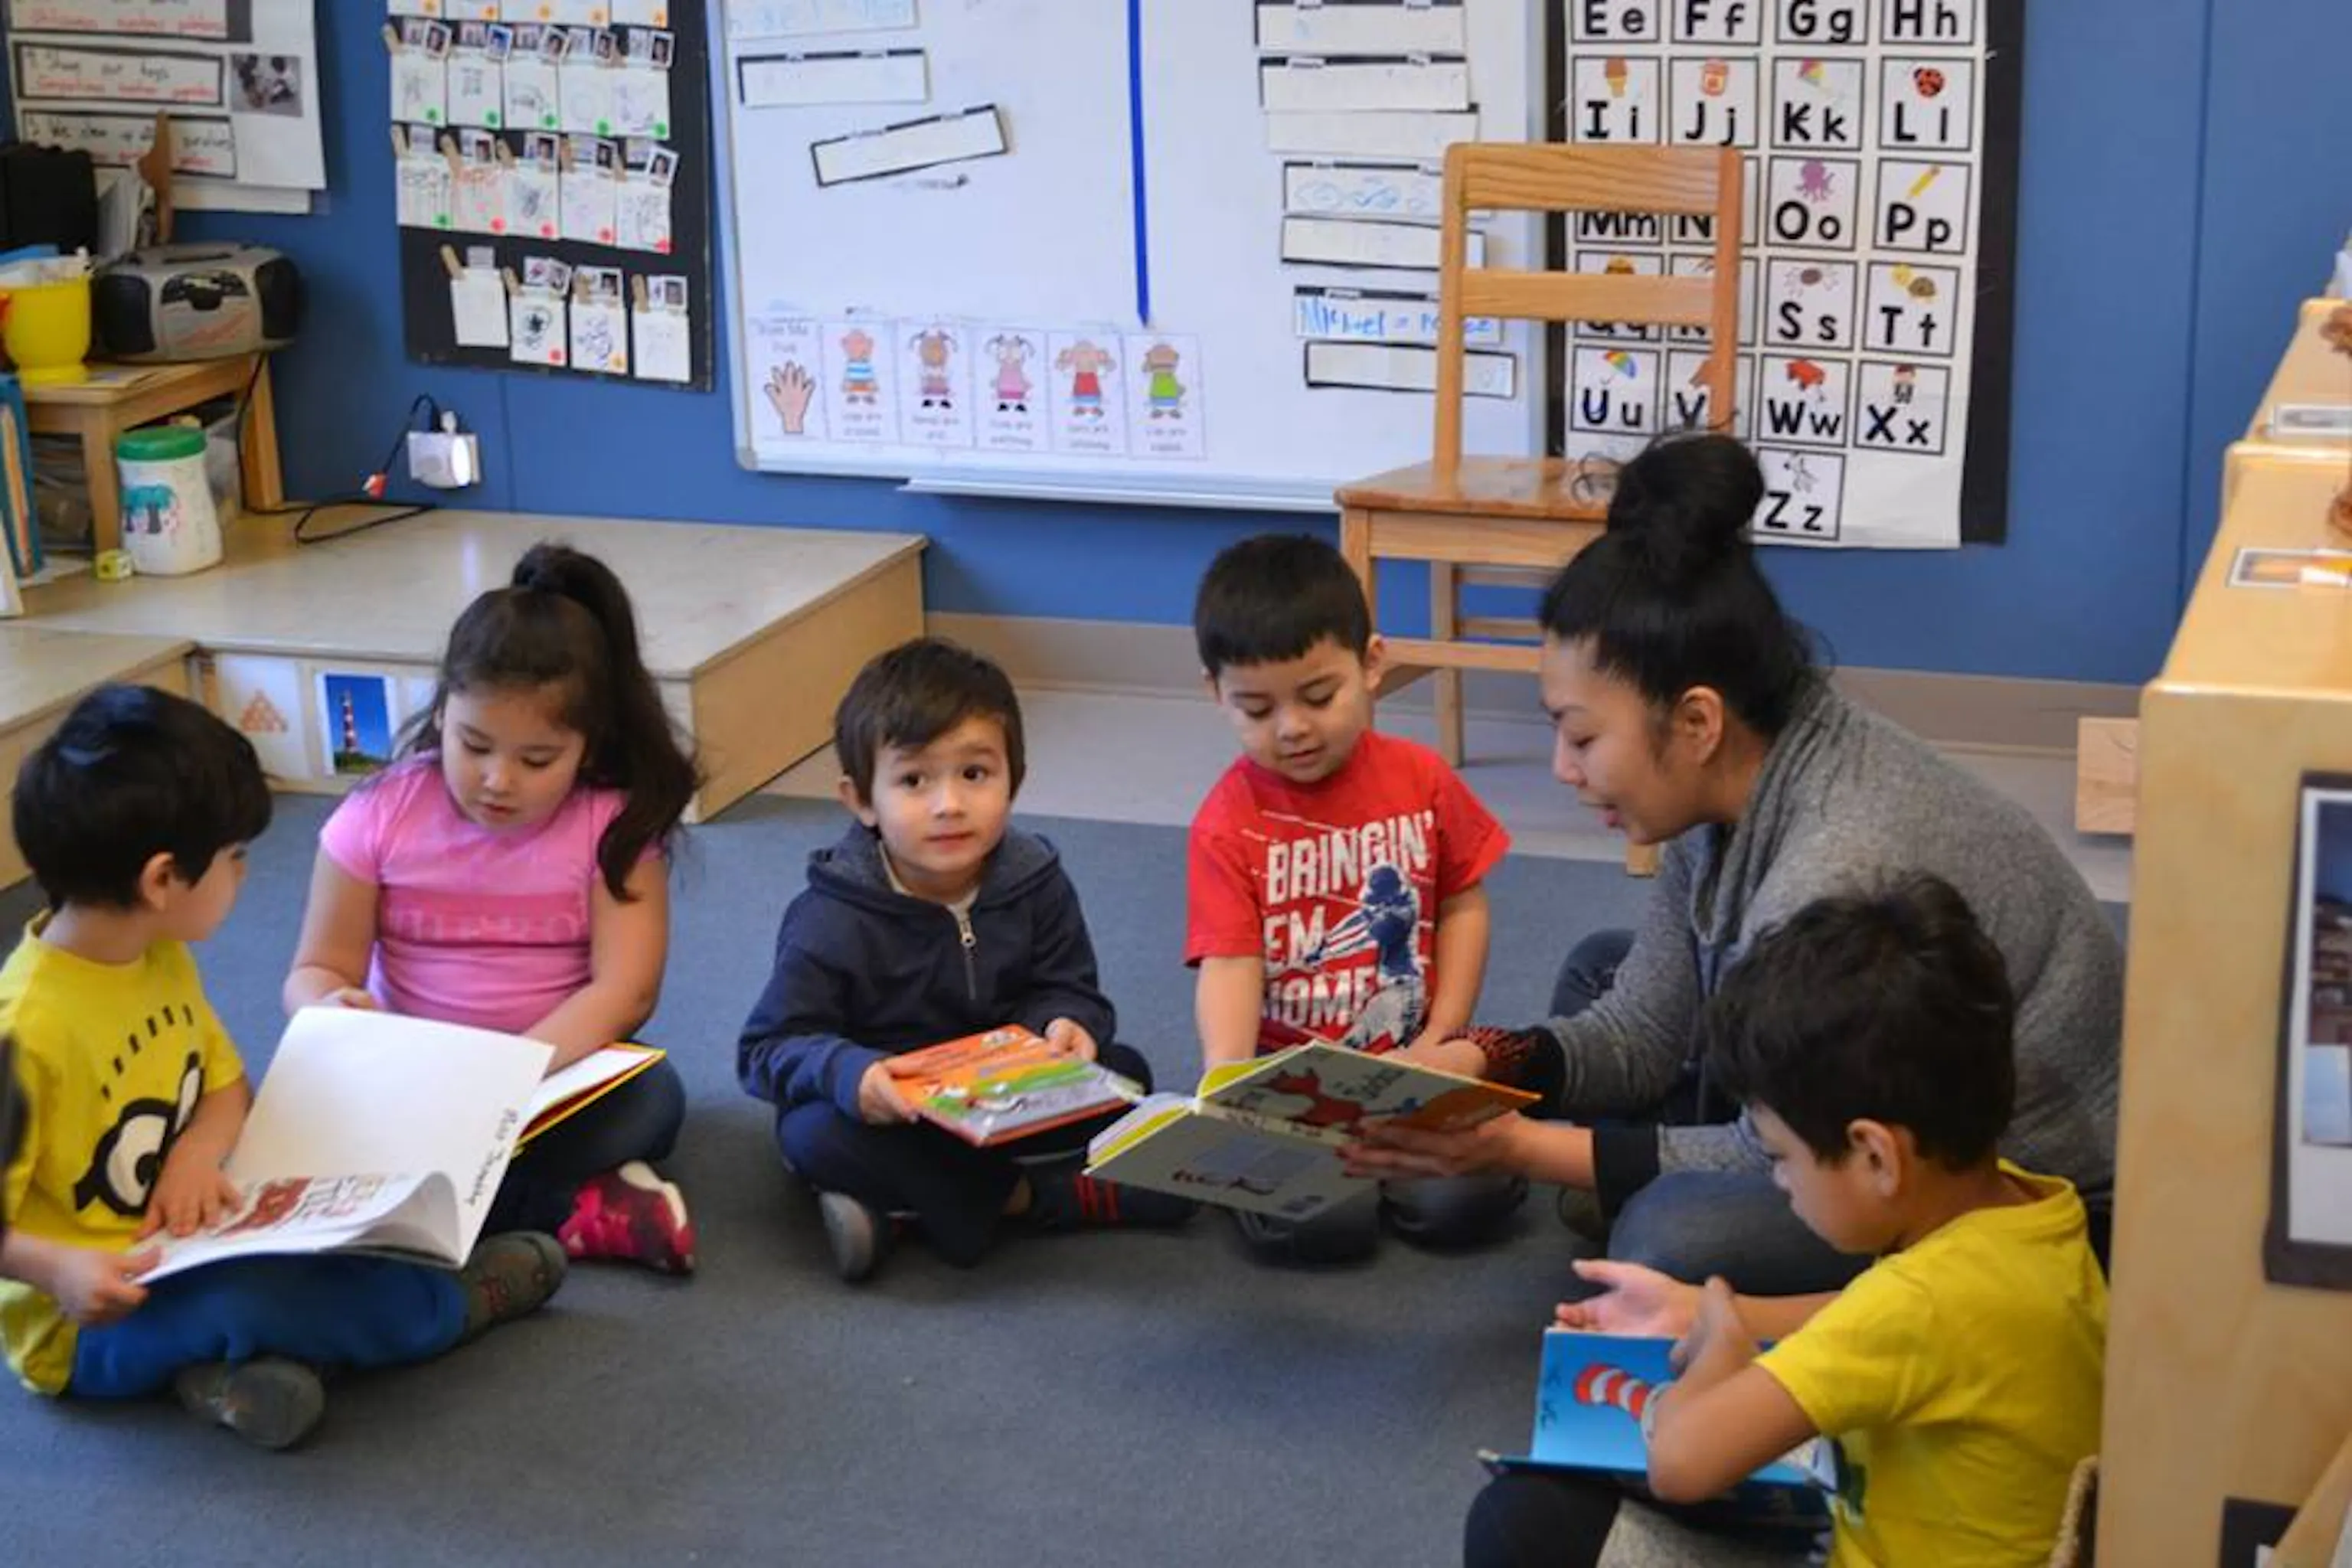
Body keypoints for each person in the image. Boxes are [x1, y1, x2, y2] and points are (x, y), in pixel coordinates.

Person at [1352, 433, 2121, 1295]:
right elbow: (1640, 1030)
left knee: (1664, 1242)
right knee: (1600, 970)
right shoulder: (1739, 762)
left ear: (1696, 722)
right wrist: (1487, 1060)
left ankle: (1639, 1180)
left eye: (1583, 737)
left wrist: (1521, 1148)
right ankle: (1632, 1164)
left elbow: (1780, 1153)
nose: (1564, 768)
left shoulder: (1832, 871)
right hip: (1853, 1085)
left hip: (2011, 1194)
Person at [1465, 877, 2107, 1567]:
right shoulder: (2030, 1211)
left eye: (1780, 1158)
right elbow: (1873, 1316)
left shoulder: (1917, 1305)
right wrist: (1716, 1308)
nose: (1777, 1182)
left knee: (1522, 1525)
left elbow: (1680, 1464)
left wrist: (1720, 1351)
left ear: (1876, 1156)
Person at [1, 685, 564, 1449]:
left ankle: (225, 1380)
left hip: (199, 1236)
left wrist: (196, 1154)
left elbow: (225, 1088)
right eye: (234, 858)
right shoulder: (24, 1030)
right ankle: (455, 1307)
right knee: (267, 1300)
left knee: (338, 1225)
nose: (244, 874)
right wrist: (61, 1270)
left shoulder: (155, 954)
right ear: (162, 880)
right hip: (89, 1321)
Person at [285, 544, 700, 1275]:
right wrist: (330, 1008)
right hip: (413, 1076)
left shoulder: (612, 826)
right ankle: (569, 1209)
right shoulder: (381, 813)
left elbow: (626, 991)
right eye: (473, 745)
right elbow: (316, 968)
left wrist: (507, 1078)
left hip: (544, 1079)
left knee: (650, 1100)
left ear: (586, 747)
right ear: (443, 710)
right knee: (295, 1105)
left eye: (537, 760)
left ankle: (427, 1202)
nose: (498, 780)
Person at [738, 637, 1194, 1282]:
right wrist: (854, 1075)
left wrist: (1066, 1025)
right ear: (862, 800)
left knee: (1126, 1072)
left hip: (1002, 1096)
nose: (949, 804)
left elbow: (1070, 988)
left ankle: (904, 1212)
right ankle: (1036, 1199)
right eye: (914, 780)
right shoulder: (830, 916)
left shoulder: (1036, 880)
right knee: (812, 1135)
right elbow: (766, 1050)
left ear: (1014, 780)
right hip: (896, 1115)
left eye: (975, 775)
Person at [1188, 534, 1525, 1266]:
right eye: (1256, 708)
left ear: (1372, 663)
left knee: (1470, 1201)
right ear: (1215, 693)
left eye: (1319, 697)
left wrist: (1445, 1032)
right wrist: (1228, 1078)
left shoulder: (1422, 778)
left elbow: (1463, 904)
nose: (1293, 728)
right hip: (1292, 1087)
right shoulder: (1225, 823)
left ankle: (1388, 1167)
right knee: (1321, 1226)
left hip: (1409, 1068)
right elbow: (1230, 962)